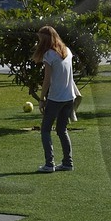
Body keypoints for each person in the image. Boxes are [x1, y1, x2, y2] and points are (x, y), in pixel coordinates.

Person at [37, 25, 77, 173]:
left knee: (45, 130)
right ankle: (68, 162)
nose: (39, 42)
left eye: (40, 39)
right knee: (62, 130)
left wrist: (42, 99)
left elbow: (47, 79)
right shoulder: (67, 50)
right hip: (69, 97)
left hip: (56, 98)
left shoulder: (49, 55)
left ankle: (49, 164)